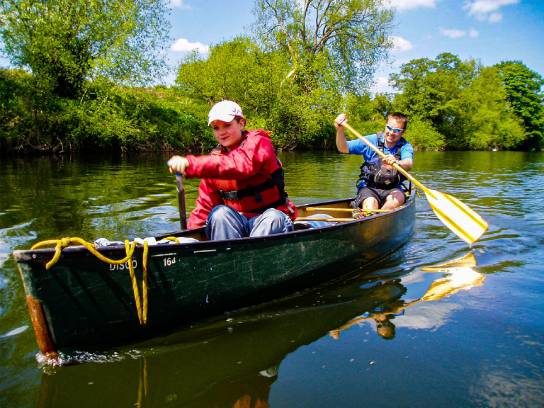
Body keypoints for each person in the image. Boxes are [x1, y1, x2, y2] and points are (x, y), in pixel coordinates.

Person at [167, 100, 297, 240]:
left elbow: (241, 165)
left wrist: (190, 164)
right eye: (216, 128)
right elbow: (205, 207)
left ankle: (249, 257)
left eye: (227, 125)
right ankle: (228, 257)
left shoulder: (260, 143)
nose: (221, 132)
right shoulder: (214, 160)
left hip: (271, 219)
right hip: (236, 224)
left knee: (273, 217)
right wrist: (188, 238)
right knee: (219, 214)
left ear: (241, 123)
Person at [334, 112, 414, 212]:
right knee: (370, 204)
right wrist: (340, 130)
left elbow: (408, 163)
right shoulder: (371, 140)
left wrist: (397, 163)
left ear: (403, 132)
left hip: (393, 189)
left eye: (396, 130)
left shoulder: (405, 146)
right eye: (389, 128)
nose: (391, 132)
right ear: (385, 126)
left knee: (395, 201)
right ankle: (371, 217)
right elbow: (343, 148)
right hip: (369, 187)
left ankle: (379, 220)